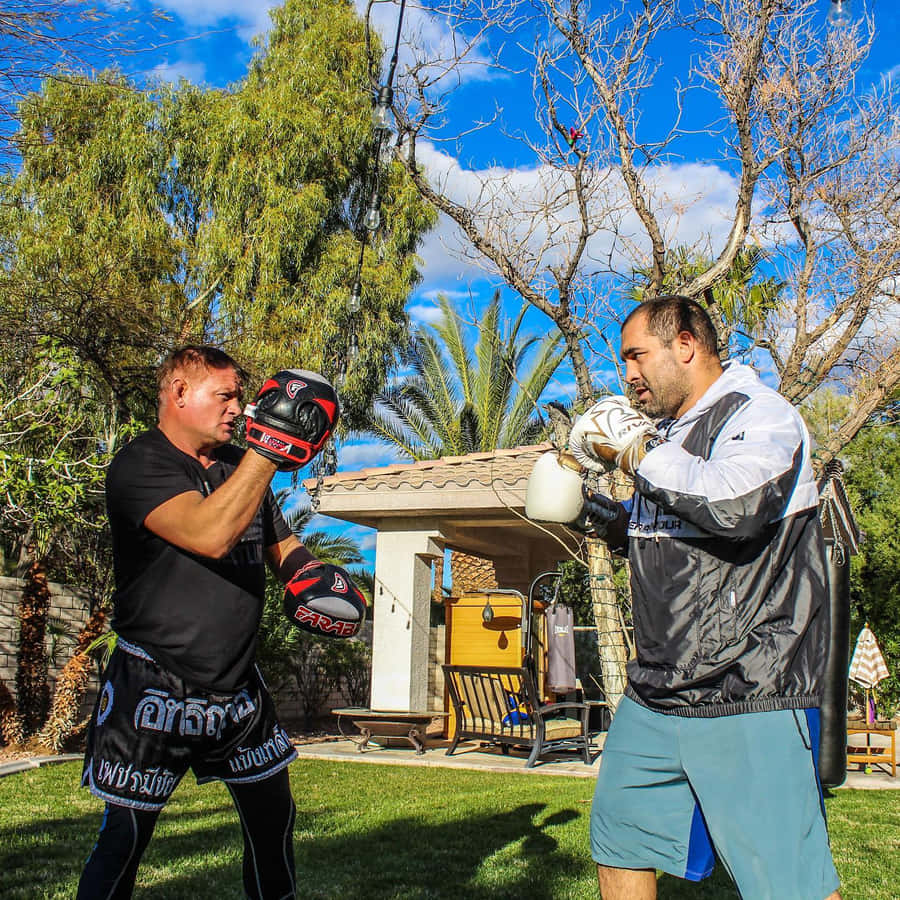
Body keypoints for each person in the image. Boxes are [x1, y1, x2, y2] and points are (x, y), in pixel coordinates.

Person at [564, 297, 841, 899]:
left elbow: (735, 506)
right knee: (620, 842)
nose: (627, 375)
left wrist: (637, 452)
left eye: (637, 357)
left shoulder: (760, 414)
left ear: (685, 346)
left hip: (748, 686)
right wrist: (589, 511)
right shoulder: (670, 436)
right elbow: (664, 530)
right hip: (656, 691)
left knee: (788, 882)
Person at [77, 346, 348, 899]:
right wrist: (269, 450)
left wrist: (318, 580)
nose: (238, 409)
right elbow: (209, 533)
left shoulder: (238, 470)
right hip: (154, 686)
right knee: (124, 841)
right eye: (225, 396)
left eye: (240, 398)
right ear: (179, 392)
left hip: (238, 691)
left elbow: (283, 546)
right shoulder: (140, 464)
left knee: (274, 827)